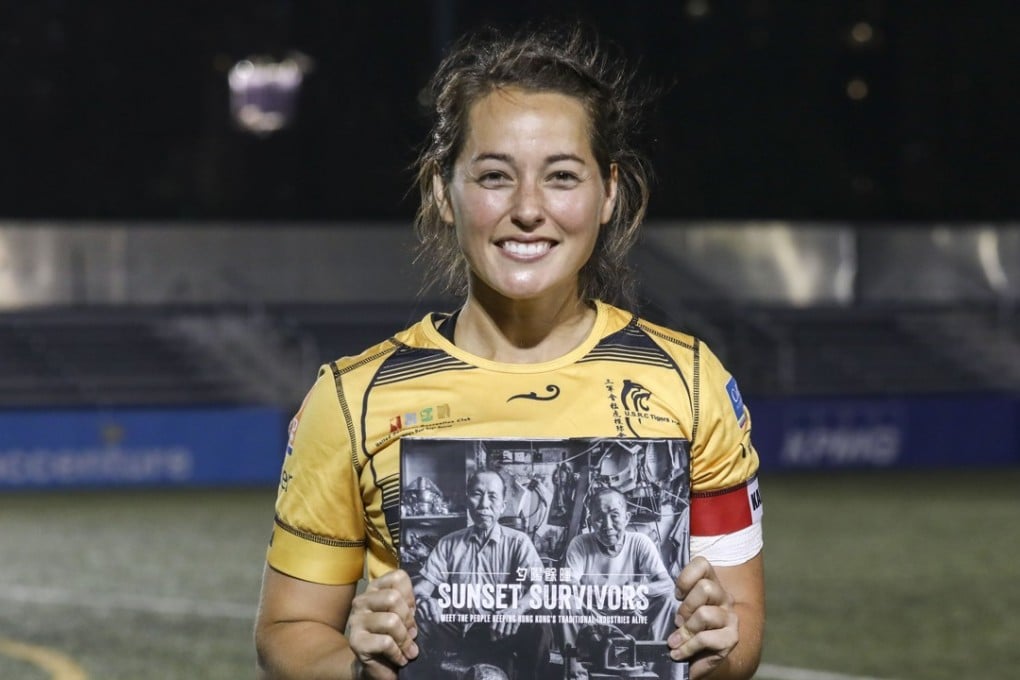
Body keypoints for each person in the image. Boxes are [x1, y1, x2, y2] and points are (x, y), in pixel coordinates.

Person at [254, 22, 765, 680]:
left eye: (561, 176)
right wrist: (357, 663)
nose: (528, 209)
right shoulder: (353, 397)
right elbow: (286, 631)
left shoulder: (689, 384)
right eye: (495, 176)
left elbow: (741, 628)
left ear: (608, 191)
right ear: (444, 190)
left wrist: (717, 643)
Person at [412, 471, 551, 677]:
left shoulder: (518, 542)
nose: (484, 504)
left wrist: (517, 609)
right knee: (413, 618)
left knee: (540, 618)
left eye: (492, 496)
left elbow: (539, 588)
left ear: (503, 505)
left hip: (499, 630)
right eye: (477, 494)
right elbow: (421, 589)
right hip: (457, 629)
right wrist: (424, 600)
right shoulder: (449, 543)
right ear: (467, 500)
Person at [562, 487, 680, 679]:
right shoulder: (580, 544)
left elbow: (667, 585)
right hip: (594, 625)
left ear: (627, 517)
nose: (607, 525)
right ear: (590, 521)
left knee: (670, 602)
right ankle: (577, 674)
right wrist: (599, 596)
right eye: (599, 517)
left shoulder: (640, 542)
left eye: (614, 516)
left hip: (632, 619)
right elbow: (568, 586)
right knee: (565, 602)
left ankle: (649, 668)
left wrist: (638, 590)